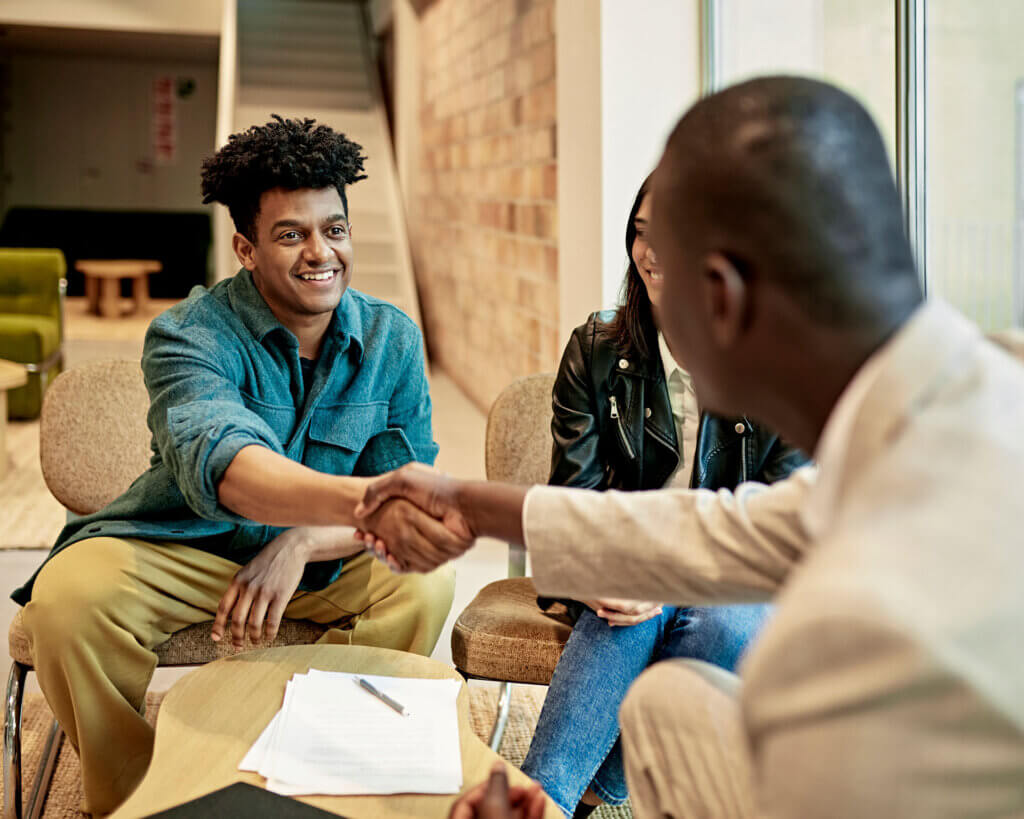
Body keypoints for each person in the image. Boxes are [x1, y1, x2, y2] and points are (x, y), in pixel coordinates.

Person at [359, 76, 1024, 818]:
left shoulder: (841, 657)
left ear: (719, 297)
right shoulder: (963, 401)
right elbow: (732, 527)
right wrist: (469, 503)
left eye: (666, 271)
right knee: (667, 702)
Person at [12, 115, 460, 815]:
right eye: (292, 234)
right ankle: (140, 793)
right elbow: (230, 466)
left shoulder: (391, 339)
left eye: (334, 229)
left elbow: (399, 516)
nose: (321, 253)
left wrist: (304, 540)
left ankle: (329, 763)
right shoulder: (187, 334)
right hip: (185, 545)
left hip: (325, 562)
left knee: (425, 584)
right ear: (246, 249)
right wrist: (374, 506)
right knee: (66, 602)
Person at [519, 176, 806, 818]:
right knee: (626, 606)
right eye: (642, 231)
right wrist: (591, 575)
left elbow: (785, 529)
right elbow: (575, 501)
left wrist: (671, 574)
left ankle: (588, 793)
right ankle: (544, 802)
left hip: (740, 580)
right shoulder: (596, 351)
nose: (652, 251)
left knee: (723, 618)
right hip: (627, 567)